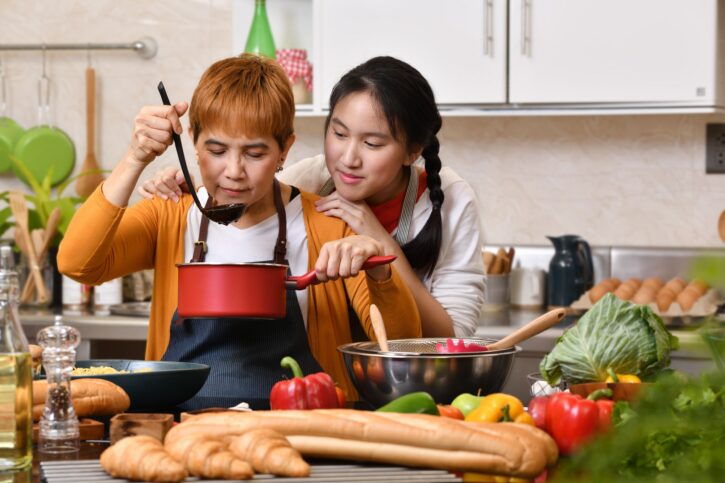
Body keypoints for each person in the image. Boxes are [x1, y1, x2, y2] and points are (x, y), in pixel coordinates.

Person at [58, 54, 421, 410]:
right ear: (194, 144)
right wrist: (135, 158)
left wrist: (378, 270)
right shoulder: (168, 214)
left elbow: (402, 348)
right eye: (216, 150)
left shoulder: (328, 224)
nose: (233, 171)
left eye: (254, 153)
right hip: (181, 430)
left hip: (302, 430)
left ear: (284, 150)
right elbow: (77, 263)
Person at [141, 56, 484, 337]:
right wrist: (184, 185)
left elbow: (453, 337)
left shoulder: (450, 201)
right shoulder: (306, 180)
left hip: (414, 386)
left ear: (413, 151)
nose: (348, 158)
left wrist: (379, 243)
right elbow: (238, 193)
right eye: (338, 133)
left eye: (372, 143)